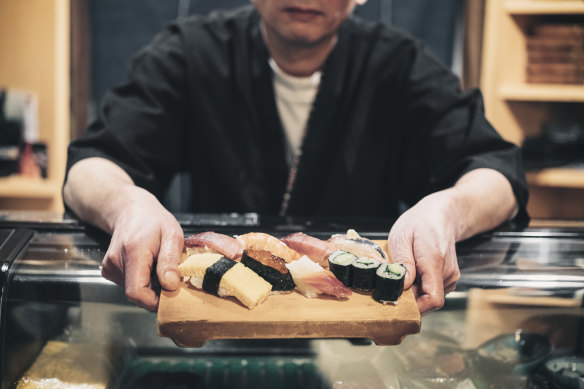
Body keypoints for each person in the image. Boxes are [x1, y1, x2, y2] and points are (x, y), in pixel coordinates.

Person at [63, 0, 529, 315]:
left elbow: (495, 173)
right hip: (221, 315)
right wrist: (129, 205)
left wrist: (444, 212)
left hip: (358, 330)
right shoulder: (190, 52)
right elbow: (92, 165)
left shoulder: (401, 64)